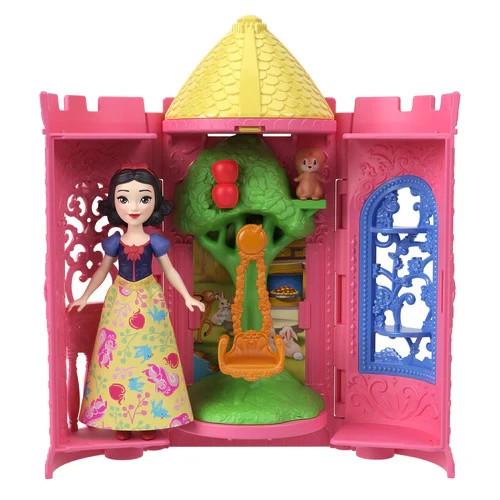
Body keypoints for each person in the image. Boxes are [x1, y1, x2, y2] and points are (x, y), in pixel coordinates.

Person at [68, 164, 205, 440]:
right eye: (124, 198)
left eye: (143, 199)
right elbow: (102, 271)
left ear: (154, 202)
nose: (133, 206)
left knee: (151, 357)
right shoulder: (115, 242)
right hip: (120, 301)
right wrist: (84, 295)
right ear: (114, 202)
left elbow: (170, 271)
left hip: (148, 300)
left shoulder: (155, 241)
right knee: (118, 357)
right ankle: (121, 419)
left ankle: (150, 418)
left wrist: (187, 296)